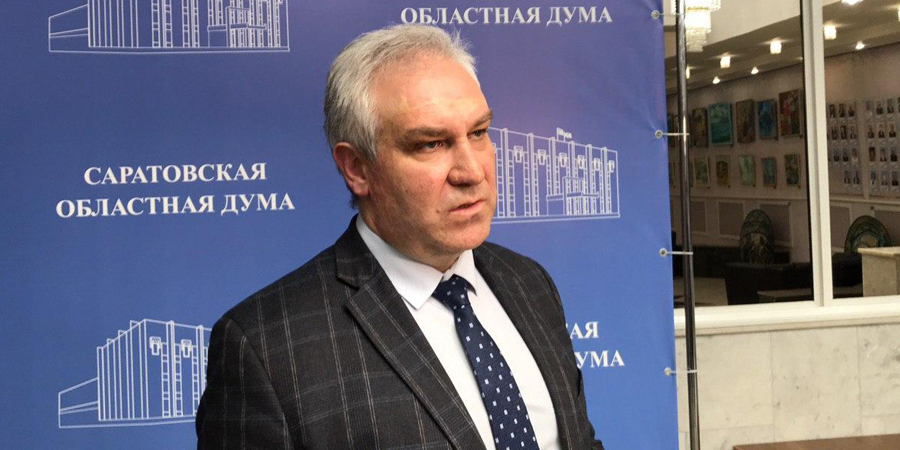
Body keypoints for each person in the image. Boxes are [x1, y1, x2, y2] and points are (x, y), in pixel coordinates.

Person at [196, 24, 603, 450]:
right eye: (431, 144)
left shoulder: (529, 283)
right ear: (357, 168)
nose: (472, 171)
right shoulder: (267, 347)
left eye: (479, 133)